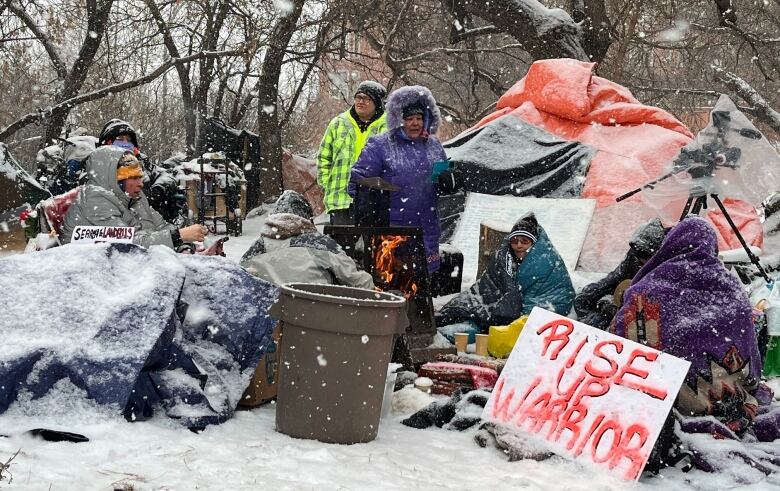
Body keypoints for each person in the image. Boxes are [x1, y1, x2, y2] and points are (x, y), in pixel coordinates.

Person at [348, 85, 452, 273]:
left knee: (422, 281)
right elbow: (358, 181)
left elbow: (440, 181)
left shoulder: (434, 146)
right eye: (409, 118)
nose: (415, 123)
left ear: (427, 119)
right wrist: (373, 206)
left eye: (419, 118)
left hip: (426, 226)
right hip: (392, 228)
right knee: (392, 278)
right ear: (398, 119)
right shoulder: (380, 145)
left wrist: (450, 182)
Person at [435, 214, 575, 341]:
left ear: (534, 243)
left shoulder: (547, 261)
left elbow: (556, 295)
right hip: (499, 309)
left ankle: (453, 334)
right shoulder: (504, 258)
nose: (519, 245)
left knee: (479, 329)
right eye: (515, 240)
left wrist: (515, 313)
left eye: (524, 241)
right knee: (464, 307)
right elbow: (488, 285)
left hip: (528, 310)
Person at [61, 146, 206, 248]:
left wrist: (184, 247)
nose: (141, 183)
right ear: (112, 177)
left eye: (140, 177)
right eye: (133, 177)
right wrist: (178, 236)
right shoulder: (94, 200)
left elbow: (161, 227)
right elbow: (127, 243)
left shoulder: (133, 197)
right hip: (91, 277)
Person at [240, 190, 374, 289]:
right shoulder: (321, 243)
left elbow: (241, 280)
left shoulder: (258, 246)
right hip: (317, 319)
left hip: (271, 321)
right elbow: (360, 282)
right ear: (307, 218)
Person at [574, 218, 666, 329]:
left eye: (645, 258)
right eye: (639, 256)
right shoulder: (635, 255)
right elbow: (613, 279)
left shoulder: (667, 271)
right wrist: (588, 299)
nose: (641, 261)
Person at [317, 81, 388, 224]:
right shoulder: (338, 123)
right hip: (340, 201)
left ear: (377, 103)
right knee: (341, 245)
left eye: (366, 98)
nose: (360, 101)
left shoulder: (388, 126)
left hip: (375, 203)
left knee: (375, 246)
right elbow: (323, 158)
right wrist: (327, 185)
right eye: (358, 97)